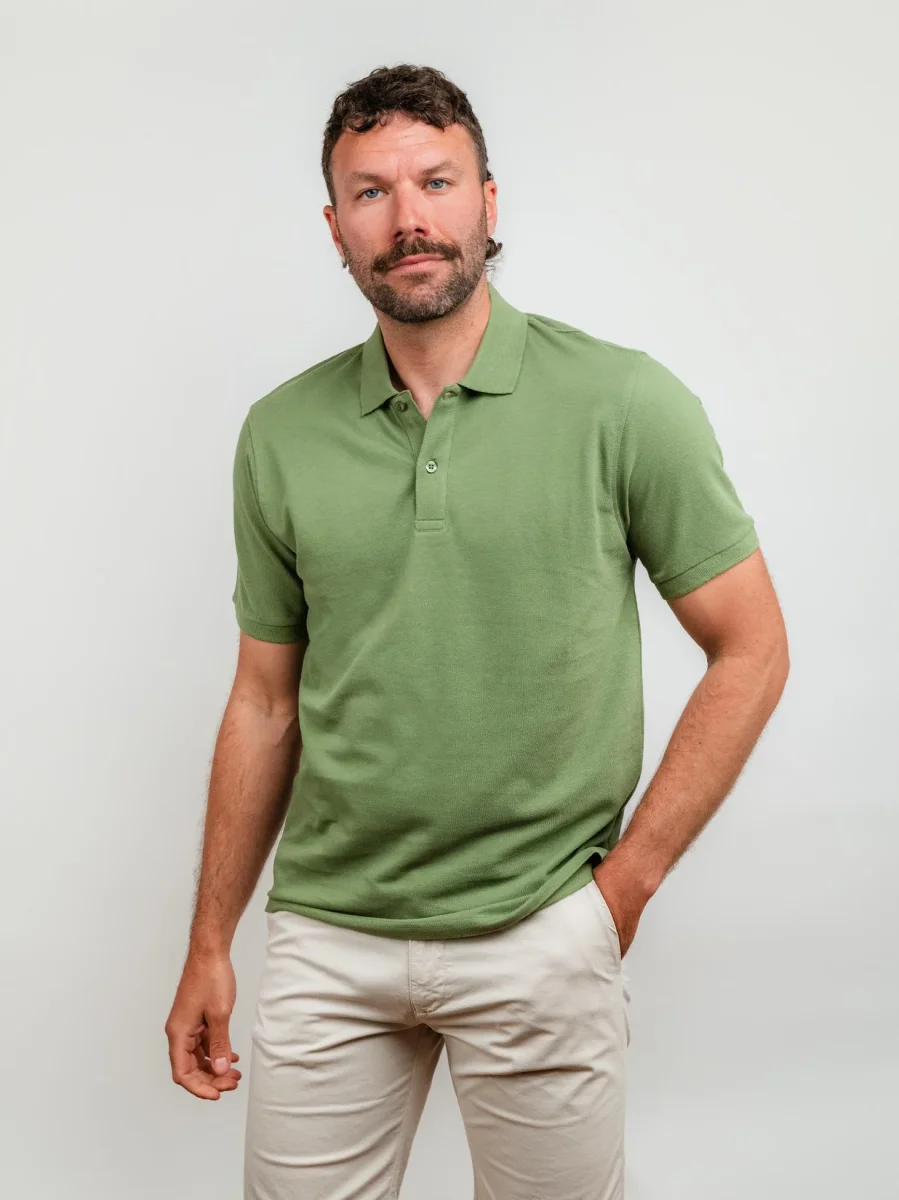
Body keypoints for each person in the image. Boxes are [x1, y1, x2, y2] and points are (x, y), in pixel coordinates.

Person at [165, 62, 789, 1200]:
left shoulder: (622, 402)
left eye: (436, 181)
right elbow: (263, 701)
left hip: (539, 927)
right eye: (370, 192)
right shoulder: (280, 433)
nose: (407, 217)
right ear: (334, 227)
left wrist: (621, 891)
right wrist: (210, 940)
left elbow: (750, 646)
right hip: (328, 939)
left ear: (488, 201)